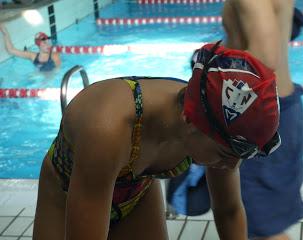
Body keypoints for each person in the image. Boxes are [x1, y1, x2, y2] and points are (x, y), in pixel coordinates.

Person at [32, 42, 281, 240]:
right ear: (190, 121)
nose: (233, 165)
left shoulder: (219, 129)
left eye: (242, 156)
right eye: (227, 155)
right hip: (64, 195)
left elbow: (228, 212)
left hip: (137, 192)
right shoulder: (108, 128)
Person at [222, 1, 303, 239]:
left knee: (260, 227)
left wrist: (214, 76)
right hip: (278, 108)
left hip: (261, 116)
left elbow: (266, 56)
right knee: (261, 225)